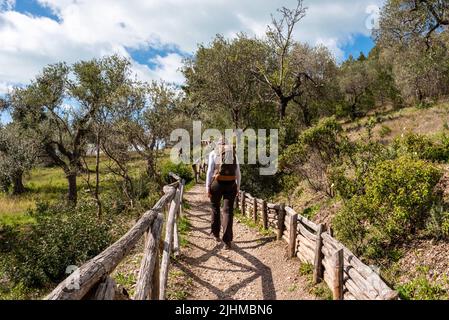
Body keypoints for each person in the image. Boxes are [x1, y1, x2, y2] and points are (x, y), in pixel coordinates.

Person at [206, 138, 241, 249]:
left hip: (217, 183)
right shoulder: (233, 153)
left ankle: (216, 234)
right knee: (228, 211)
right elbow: (238, 172)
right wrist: (238, 186)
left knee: (215, 207)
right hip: (231, 183)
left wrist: (207, 187)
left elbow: (210, 170)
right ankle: (227, 241)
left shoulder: (213, 152)